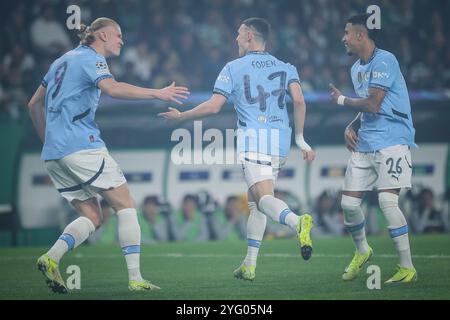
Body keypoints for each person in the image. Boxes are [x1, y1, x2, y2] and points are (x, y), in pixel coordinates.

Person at [27, 17, 189, 293]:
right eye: (118, 35)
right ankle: (136, 279)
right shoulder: (92, 58)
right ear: (101, 36)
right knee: (125, 204)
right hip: (82, 145)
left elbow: (33, 104)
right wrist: (157, 93)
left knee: (92, 216)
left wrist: (49, 141)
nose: (121, 41)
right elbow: (112, 88)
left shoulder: (61, 61)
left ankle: (51, 258)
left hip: (54, 153)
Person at [159, 17, 315, 281]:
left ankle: (296, 222)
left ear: (250, 37)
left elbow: (213, 106)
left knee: (264, 199)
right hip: (281, 140)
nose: (236, 39)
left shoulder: (233, 67)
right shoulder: (286, 66)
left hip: (254, 139)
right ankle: (249, 265)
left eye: (239, 34)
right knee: (255, 202)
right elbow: (299, 101)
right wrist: (300, 138)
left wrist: (181, 117)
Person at [329, 14, 417, 283]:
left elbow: (374, 104)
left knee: (387, 201)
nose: (343, 37)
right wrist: (351, 125)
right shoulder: (356, 68)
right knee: (348, 203)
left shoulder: (385, 60)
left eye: (346, 32)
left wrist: (343, 101)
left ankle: (407, 268)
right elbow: (367, 109)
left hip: (392, 141)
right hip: (365, 142)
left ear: (360, 35)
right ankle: (363, 250)